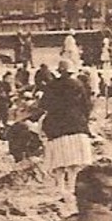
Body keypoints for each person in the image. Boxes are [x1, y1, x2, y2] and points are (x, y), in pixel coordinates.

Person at [39, 61, 94, 197]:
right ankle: (72, 185)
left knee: (59, 160)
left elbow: (43, 104)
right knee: (74, 161)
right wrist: (84, 119)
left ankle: (60, 186)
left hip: (56, 125)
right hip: (76, 124)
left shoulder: (51, 86)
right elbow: (86, 105)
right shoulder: (78, 84)